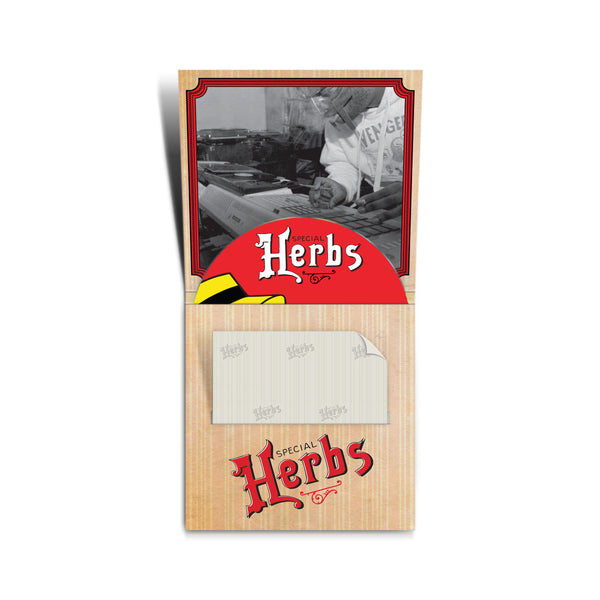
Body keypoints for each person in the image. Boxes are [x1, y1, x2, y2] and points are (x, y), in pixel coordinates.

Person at [303, 87, 404, 220]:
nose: (324, 107)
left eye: (325, 91)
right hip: (379, 213)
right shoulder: (339, 112)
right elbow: (345, 160)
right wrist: (341, 184)